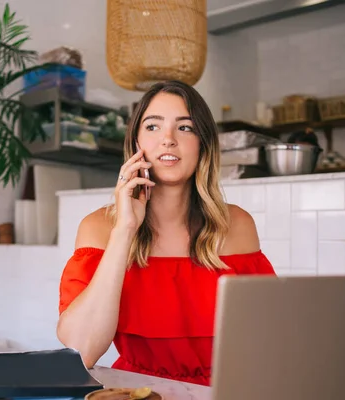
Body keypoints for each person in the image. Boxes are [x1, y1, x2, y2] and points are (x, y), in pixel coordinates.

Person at [56, 80, 276, 386]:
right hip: (137, 393)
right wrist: (125, 230)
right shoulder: (99, 228)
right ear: (135, 143)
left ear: (203, 144)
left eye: (185, 128)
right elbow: (81, 352)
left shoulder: (237, 225)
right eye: (153, 126)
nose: (168, 139)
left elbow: (267, 340)